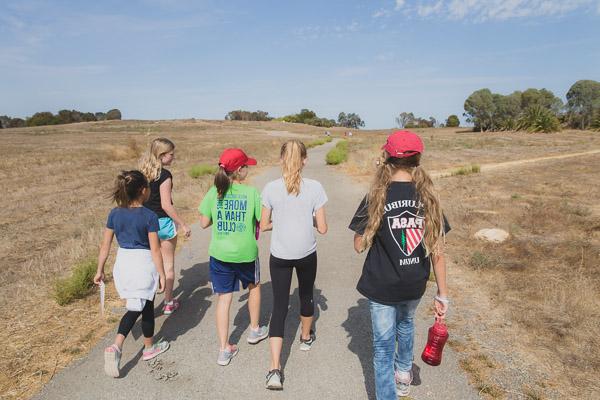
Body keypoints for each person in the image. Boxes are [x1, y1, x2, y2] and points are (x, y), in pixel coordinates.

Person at [348, 130, 450, 399]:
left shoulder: (376, 197)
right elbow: (438, 250)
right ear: (418, 159)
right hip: (414, 282)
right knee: (405, 326)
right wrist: (442, 294)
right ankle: (404, 373)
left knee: (383, 349)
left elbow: (359, 246)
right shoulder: (428, 197)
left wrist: (368, 233)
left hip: (381, 285)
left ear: (387, 158)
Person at [260, 140, 328, 390]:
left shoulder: (270, 188)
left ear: (281, 160)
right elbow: (322, 228)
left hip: (280, 255)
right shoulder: (315, 188)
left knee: (279, 306)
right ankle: (305, 337)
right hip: (306, 253)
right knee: (306, 294)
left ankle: (274, 369)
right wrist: (305, 218)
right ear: (305, 160)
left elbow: (264, 225)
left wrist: (283, 218)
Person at [94, 170, 169, 378]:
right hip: (143, 263)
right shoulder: (149, 216)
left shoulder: (114, 213)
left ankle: (148, 346)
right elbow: (155, 249)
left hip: (124, 262)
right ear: (143, 191)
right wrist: (162, 274)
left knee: (143, 305)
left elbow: (105, 245)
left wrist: (100, 270)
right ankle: (119, 345)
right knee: (141, 305)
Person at [199, 148, 268, 366]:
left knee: (224, 298)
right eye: (246, 165)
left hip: (220, 254)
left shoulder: (214, 192)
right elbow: (261, 222)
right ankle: (255, 330)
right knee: (254, 286)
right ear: (239, 170)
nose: (248, 168)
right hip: (246, 253)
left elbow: (203, 222)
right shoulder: (251, 193)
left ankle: (223, 349)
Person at [139, 137, 191, 315]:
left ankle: (147, 301)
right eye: (171, 154)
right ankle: (168, 302)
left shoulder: (142, 174)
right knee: (168, 265)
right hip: (163, 223)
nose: (173, 157)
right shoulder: (165, 175)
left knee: (151, 264)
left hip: (145, 223)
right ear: (162, 155)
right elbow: (165, 205)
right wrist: (182, 224)